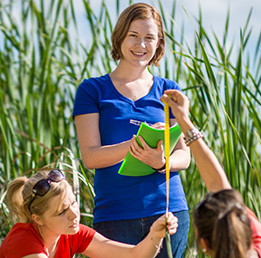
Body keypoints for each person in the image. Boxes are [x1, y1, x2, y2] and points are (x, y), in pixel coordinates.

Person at [72, 3, 190, 257]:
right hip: (115, 217)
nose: (141, 45)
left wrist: (161, 161)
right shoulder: (92, 90)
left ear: (159, 43)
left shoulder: (169, 89)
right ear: (120, 37)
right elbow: (91, 157)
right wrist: (135, 146)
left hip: (169, 212)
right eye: (133, 36)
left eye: (149, 37)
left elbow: (185, 156)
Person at [161, 89, 261, 258]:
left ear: (204, 244)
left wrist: (183, 119)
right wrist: (184, 120)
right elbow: (218, 186)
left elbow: (218, 185)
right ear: (243, 228)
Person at [0, 168, 178, 258]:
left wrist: (155, 235)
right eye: (61, 212)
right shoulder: (23, 241)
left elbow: (134, 255)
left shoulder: (72, 233)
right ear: (38, 219)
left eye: (74, 203)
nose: (74, 214)